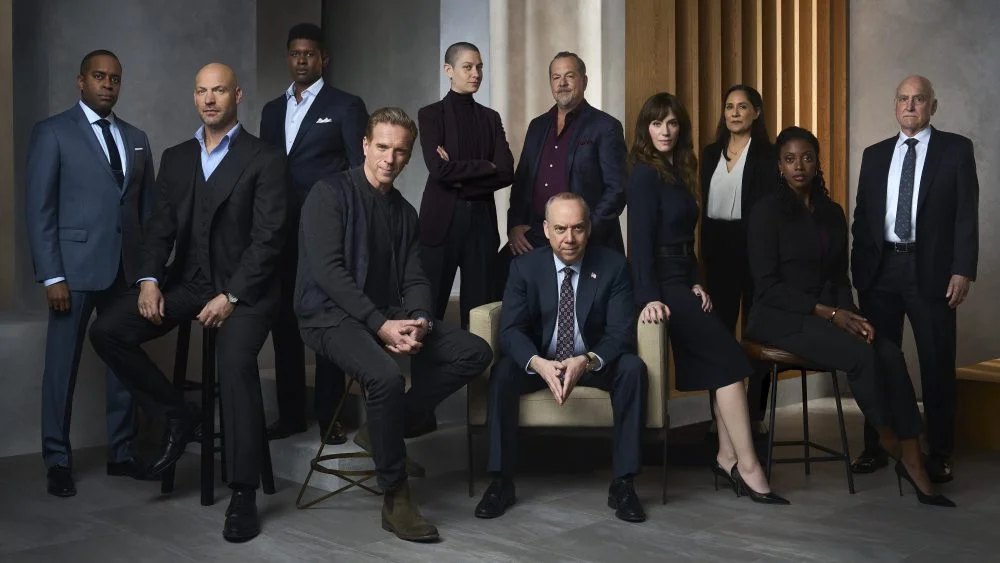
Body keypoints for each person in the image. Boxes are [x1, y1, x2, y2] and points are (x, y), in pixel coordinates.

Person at [89, 63, 288, 541]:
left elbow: (269, 239)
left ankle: (242, 493)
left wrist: (232, 294)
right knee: (108, 330)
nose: (209, 99)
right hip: (189, 283)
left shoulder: (265, 157)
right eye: (202, 91)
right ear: (195, 97)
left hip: (246, 292)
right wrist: (149, 280)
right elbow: (159, 229)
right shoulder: (177, 157)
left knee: (234, 362)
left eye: (219, 90)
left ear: (237, 95)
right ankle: (177, 414)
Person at [295, 107, 492, 542]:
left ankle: (385, 427)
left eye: (401, 151)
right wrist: (381, 324)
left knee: (475, 352)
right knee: (384, 377)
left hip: (383, 314)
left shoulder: (403, 212)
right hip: (327, 315)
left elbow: (415, 277)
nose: (390, 159)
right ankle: (396, 496)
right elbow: (329, 273)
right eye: (382, 147)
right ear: (365, 145)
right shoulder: (328, 194)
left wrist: (419, 319)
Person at [746, 126, 954, 508]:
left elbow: (839, 277)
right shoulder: (765, 212)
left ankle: (913, 453)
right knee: (860, 356)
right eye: (790, 159)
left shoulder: (831, 212)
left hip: (828, 312)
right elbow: (767, 286)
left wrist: (852, 314)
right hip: (780, 317)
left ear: (817, 162)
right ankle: (890, 441)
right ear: (779, 166)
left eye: (806, 157)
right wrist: (830, 313)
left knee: (887, 350)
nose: (799, 166)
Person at [627, 93, 787, 505]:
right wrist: (647, 297)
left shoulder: (680, 169)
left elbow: (688, 239)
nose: (665, 131)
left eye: (672, 123)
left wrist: (697, 281)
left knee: (724, 364)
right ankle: (746, 465)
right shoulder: (644, 174)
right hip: (662, 285)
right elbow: (639, 242)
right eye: (657, 123)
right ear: (646, 130)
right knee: (730, 360)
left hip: (683, 280)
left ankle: (727, 457)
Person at [25, 49, 156, 497]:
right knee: (62, 367)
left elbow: (147, 213)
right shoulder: (53, 132)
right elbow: (40, 209)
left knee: (122, 362)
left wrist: (148, 274)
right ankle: (57, 460)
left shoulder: (136, 137)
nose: (107, 84)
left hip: (125, 272)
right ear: (81, 81)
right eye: (99, 76)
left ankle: (121, 452)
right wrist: (52, 275)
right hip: (73, 272)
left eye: (114, 78)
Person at [477, 192, 648, 522]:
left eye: (577, 228)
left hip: (591, 362)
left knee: (632, 368)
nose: (569, 238)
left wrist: (587, 360)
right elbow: (511, 330)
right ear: (546, 229)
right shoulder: (524, 267)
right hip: (543, 362)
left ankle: (624, 484)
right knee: (503, 373)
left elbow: (621, 333)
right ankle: (500, 482)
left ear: (589, 228)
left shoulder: (613, 266)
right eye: (560, 229)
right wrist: (537, 363)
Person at [850, 75, 979, 483]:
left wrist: (962, 269)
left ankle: (939, 452)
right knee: (877, 359)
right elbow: (862, 216)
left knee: (936, 363)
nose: (910, 106)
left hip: (932, 271)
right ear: (895, 105)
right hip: (880, 271)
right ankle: (878, 445)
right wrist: (860, 268)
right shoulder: (874, 155)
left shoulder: (955, 150)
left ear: (932, 107)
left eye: (918, 99)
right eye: (903, 99)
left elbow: (966, 214)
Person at [259, 22, 369, 445]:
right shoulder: (272, 111)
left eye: (309, 53)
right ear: (288, 58)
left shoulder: (345, 105)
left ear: (324, 58)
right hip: (279, 231)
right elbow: (265, 171)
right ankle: (290, 414)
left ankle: (330, 415)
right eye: (295, 53)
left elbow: (357, 171)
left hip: (325, 231)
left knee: (327, 321)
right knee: (284, 322)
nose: (301, 60)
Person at [498, 51, 627, 296]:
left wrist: (585, 230)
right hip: (540, 232)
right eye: (556, 77)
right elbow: (522, 181)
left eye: (570, 76)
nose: (562, 83)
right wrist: (515, 226)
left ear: (584, 81)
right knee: (497, 273)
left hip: (582, 235)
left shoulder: (605, 126)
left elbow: (617, 190)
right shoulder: (537, 126)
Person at [417, 41, 514, 330]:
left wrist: (457, 176)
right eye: (468, 67)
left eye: (479, 67)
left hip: (481, 226)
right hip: (440, 224)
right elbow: (438, 170)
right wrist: (485, 166)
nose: (476, 73)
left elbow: (506, 172)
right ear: (448, 70)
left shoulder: (490, 117)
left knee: (480, 314)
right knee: (428, 310)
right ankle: (428, 363)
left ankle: (477, 363)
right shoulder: (430, 114)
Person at [700, 85, 778, 427]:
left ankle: (755, 417)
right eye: (729, 106)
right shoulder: (709, 154)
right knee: (716, 337)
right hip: (719, 254)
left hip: (756, 253)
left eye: (742, 106)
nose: (734, 112)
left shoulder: (768, 155)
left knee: (758, 335)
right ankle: (719, 418)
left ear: (756, 112)